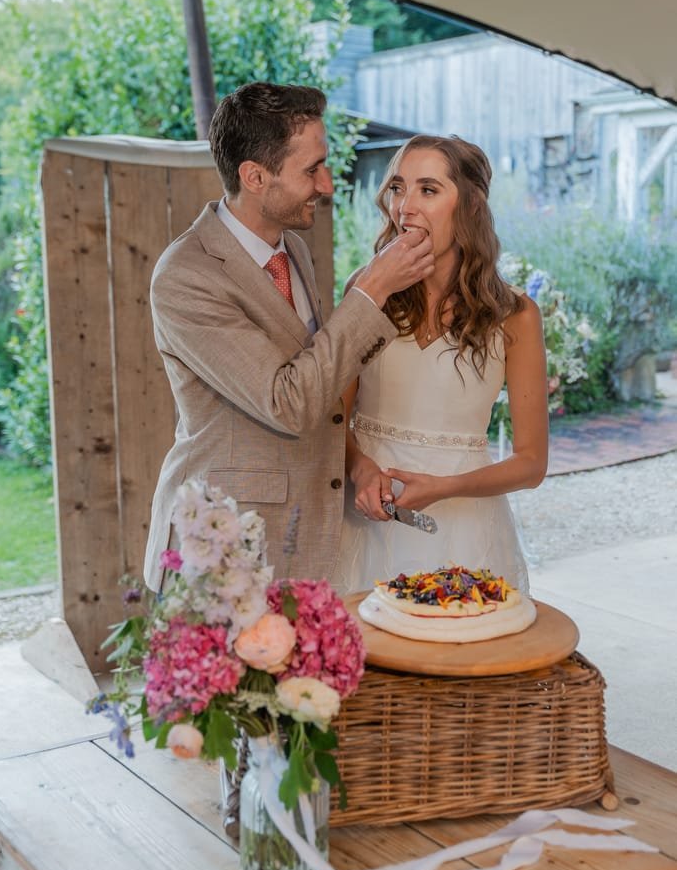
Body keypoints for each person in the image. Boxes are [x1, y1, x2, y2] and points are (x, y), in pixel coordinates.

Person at [143, 82, 434, 592]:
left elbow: (323, 377)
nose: (326, 184)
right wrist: (371, 291)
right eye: (311, 169)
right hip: (224, 550)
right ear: (254, 176)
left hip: (302, 533)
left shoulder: (293, 250)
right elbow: (288, 401)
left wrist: (356, 461)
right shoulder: (186, 276)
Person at [334, 135, 549, 594]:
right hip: (365, 523)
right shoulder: (367, 288)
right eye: (397, 188)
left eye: (428, 190)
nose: (405, 206)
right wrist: (359, 467)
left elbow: (531, 464)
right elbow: (332, 416)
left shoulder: (517, 316)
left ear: (470, 206)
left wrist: (444, 487)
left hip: (464, 530)